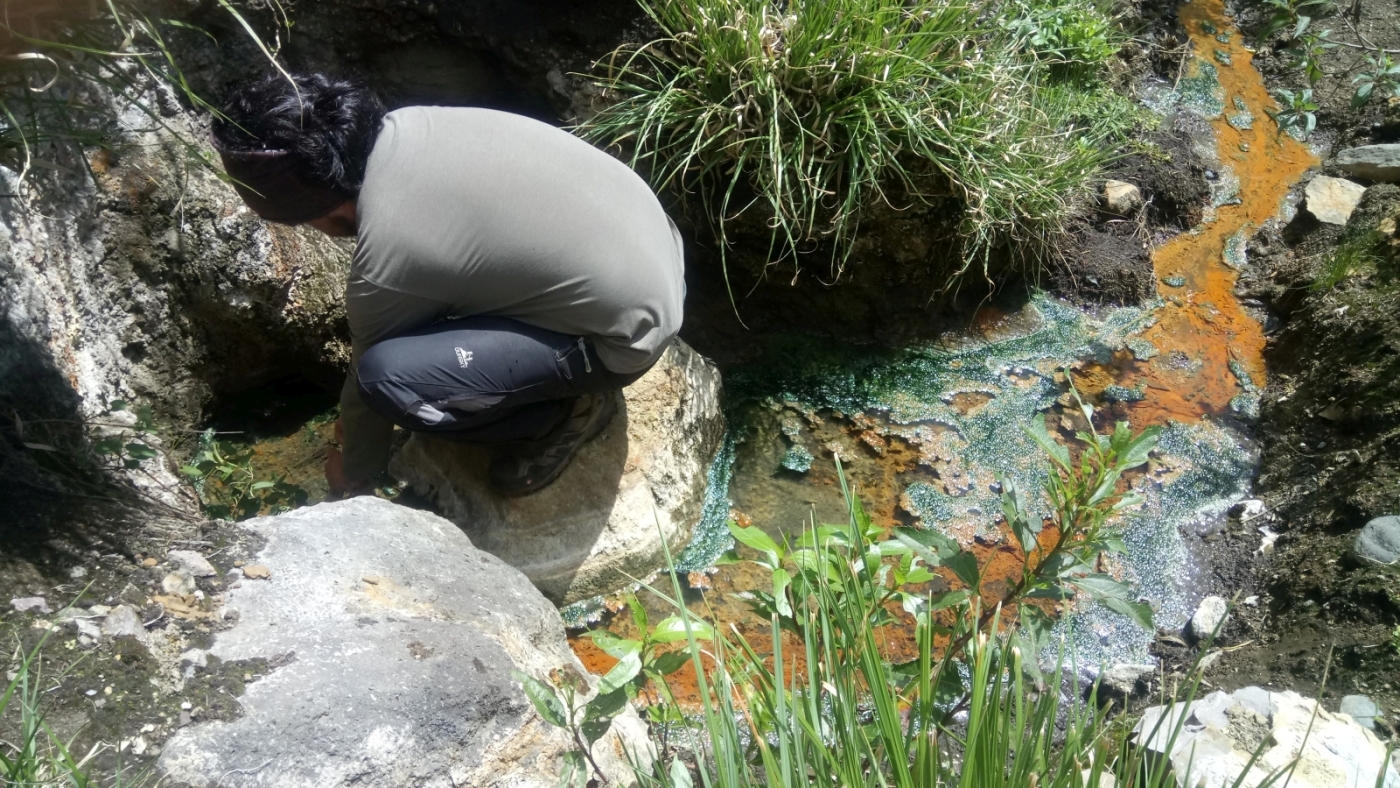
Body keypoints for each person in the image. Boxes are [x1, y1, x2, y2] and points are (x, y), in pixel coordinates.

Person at [211, 72, 685, 497]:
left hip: (625, 339)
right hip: (661, 247)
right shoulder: (411, 124)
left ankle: (564, 416)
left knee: (387, 379)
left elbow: (367, 383)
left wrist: (353, 472)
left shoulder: (390, 254)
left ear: (323, 210)